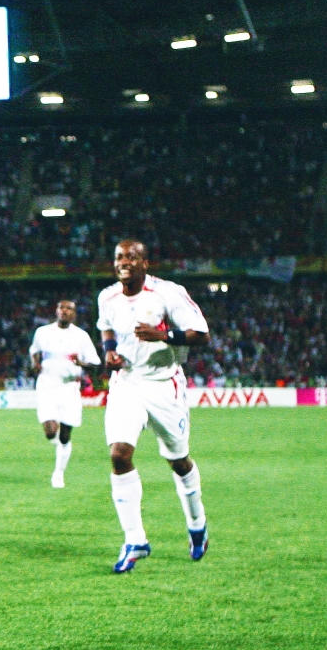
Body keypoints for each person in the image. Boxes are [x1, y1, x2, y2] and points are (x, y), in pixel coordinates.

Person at [97, 240, 211, 573]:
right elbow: (105, 327)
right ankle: (135, 539)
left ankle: (197, 523)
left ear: (146, 263)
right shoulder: (107, 296)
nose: (124, 262)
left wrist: (165, 336)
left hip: (165, 387)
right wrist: (109, 352)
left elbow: (201, 335)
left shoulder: (168, 293)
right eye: (119, 256)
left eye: (132, 257)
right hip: (127, 384)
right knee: (119, 454)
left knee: (178, 461)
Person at [29, 299, 101, 489]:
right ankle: (58, 443)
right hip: (47, 385)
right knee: (50, 431)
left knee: (65, 435)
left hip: (69, 388)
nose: (65, 311)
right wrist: (35, 363)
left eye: (69, 309)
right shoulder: (43, 332)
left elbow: (95, 363)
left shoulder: (81, 336)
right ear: (57, 310)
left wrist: (81, 364)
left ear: (74, 314)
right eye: (62, 308)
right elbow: (34, 351)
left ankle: (58, 474)